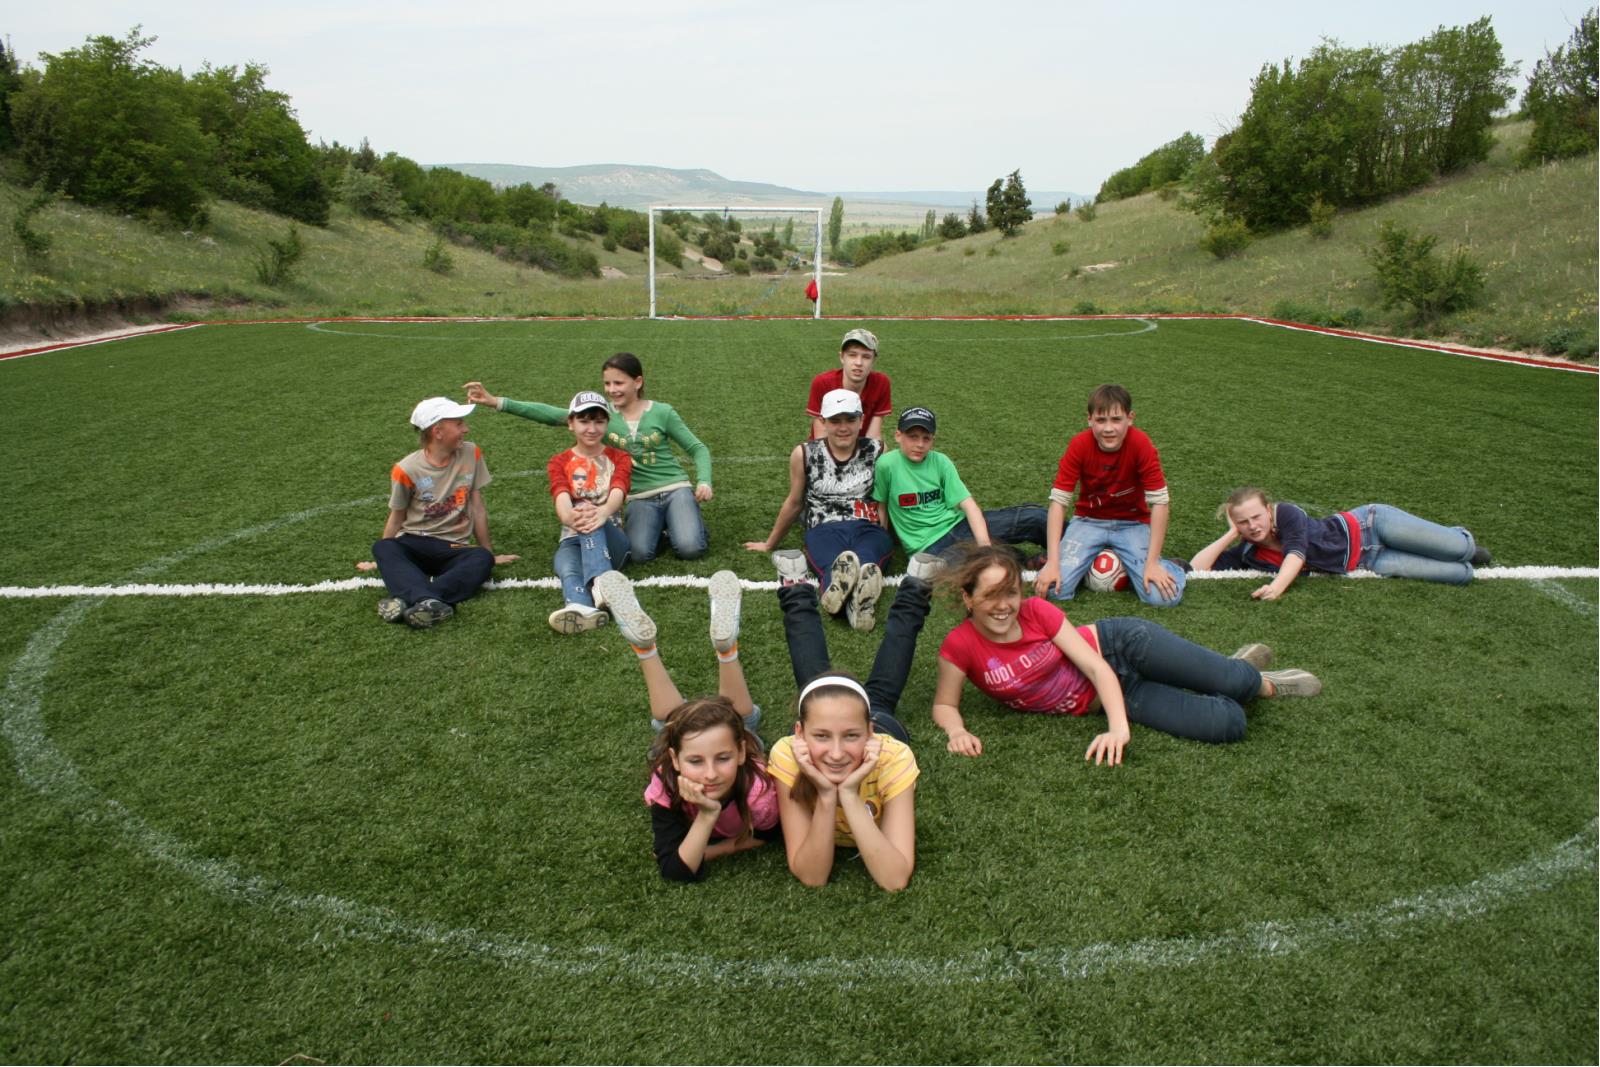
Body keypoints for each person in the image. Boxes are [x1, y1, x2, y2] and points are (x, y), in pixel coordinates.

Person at [935, 545, 1322, 757]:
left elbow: (1095, 668)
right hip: (1114, 695)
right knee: (1229, 724)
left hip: (1123, 647)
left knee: (1237, 683)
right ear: (968, 598)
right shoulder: (961, 646)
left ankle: (1257, 681)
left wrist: (1119, 730)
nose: (1003, 606)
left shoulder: (1036, 611)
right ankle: (1226, 674)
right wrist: (957, 731)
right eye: (991, 595)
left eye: (1011, 593)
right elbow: (944, 704)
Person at [763, 552, 943, 892]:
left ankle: (916, 589)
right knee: (819, 691)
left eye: (851, 735)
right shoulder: (788, 754)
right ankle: (796, 587)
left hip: (879, 729)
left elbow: (894, 879)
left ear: (868, 731)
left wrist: (847, 791)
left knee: (874, 697)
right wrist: (827, 795)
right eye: (820, 736)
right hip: (837, 731)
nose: (836, 753)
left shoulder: (892, 757)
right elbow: (812, 876)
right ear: (799, 733)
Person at [594, 570, 779, 883]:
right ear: (675, 760)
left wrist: (710, 850)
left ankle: (646, 651)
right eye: (695, 761)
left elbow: (769, 835)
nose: (710, 774)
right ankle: (726, 651)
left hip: (729, 751)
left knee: (676, 723)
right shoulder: (667, 781)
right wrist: (709, 815)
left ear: (741, 754)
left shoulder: (758, 793)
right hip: (718, 744)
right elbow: (676, 869)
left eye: (723, 758)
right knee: (740, 721)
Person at [464, 351, 712, 563]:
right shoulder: (600, 417)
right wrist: (496, 402)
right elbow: (549, 414)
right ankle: (668, 527)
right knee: (638, 554)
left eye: (619, 383)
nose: (612, 390)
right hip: (638, 497)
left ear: (637, 382)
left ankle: (686, 519)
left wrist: (704, 481)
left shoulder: (663, 412)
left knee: (691, 549)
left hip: (675, 487)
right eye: (607, 384)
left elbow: (698, 449)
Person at [744, 389, 892, 630]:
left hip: (867, 526)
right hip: (824, 527)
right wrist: (770, 543)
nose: (843, 428)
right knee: (835, 563)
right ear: (823, 422)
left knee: (868, 561)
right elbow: (795, 502)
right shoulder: (805, 453)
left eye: (850, 420)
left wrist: (886, 532)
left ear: (861, 420)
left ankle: (858, 600)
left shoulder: (878, 450)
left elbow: (885, 499)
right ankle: (846, 600)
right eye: (835, 421)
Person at [367, 397, 519, 629]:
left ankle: (412, 600)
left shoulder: (471, 453)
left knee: (481, 558)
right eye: (459, 424)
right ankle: (431, 602)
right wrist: (381, 560)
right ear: (437, 431)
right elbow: (397, 518)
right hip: (414, 542)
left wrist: (489, 554)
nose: (466, 429)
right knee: (383, 548)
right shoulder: (406, 469)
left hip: (454, 548)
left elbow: (477, 506)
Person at [1034, 383, 1187, 607]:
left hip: (1132, 524)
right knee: (1052, 590)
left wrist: (1153, 562)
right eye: (1101, 420)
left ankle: (1173, 567)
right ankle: (1090, 562)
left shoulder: (1141, 444)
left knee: (1162, 598)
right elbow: (1058, 502)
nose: (1108, 428)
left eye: (1116, 419)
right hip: (1088, 521)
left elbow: (1160, 502)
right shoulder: (1079, 444)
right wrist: (1053, 563)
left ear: (1130, 418)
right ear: (1089, 419)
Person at [1190, 487, 1492, 597]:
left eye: (1256, 517)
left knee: (1461, 550)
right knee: (1460, 575)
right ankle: (1452, 552)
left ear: (1268, 511)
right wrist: (1230, 535)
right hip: (1369, 561)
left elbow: (1296, 552)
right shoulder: (1248, 551)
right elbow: (1197, 568)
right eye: (1243, 522)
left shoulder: (1287, 514)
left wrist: (1276, 588)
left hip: (1372, 525)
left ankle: (1460, 540)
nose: (1253, 526)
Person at [871, 405, 1049, 562]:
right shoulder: (887, 465)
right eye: (913, 437)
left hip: (959, 526)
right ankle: (1022, 559)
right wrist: (883, 545)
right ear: (898, 436)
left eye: (926, 438)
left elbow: (969, 506)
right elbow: (882, 507)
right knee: (958, 564)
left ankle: (1064, 555)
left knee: (1035, 517)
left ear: (933, 439)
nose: (920, 444)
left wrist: (984, 546)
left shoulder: (941, 461)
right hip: (929, 547)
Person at [546, 391, 632, 633]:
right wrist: (567, 517)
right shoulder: (559, 461)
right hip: (571, 538)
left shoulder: (620, 457)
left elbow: (619, 489)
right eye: (584, 421)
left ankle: (602, 580)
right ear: (570, 423)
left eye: (599, 422)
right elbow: (560, 495)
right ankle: (581, 608)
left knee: (585, 507)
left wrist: (603, 512)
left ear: (607, 423)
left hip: (612, 540)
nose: (592, 429)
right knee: (566, 567)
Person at [806, 328, 891, 440]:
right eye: (852, 355)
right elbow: (821, 439)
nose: (858, 363)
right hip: (827, 445)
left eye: (866, 357)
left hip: (861, 447)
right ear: (842, 357)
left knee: (883, 448)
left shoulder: (881, 383)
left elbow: (873, 437)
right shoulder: (822, 383)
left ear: (873, 360)